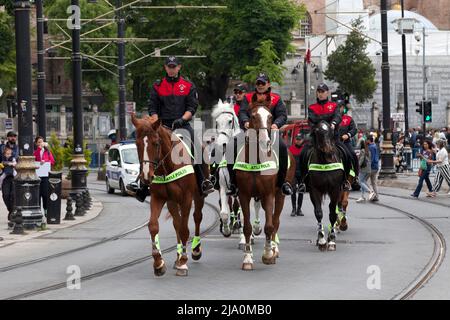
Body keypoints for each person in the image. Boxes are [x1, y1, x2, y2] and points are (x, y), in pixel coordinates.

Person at [130, 56, 214, 201]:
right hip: (161, 126)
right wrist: (156, 124)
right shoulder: (158, 85)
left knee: (197, 148)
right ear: (165, 68)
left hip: (182, 125)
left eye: (174, 66)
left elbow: (192, 107)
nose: (171, 69)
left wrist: (182, 119)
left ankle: (203, 181)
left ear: (179, 67)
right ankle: (142, 185)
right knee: (147, 149)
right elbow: (153, 107)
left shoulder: (188, 85)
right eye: (169, 66)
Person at [238, 72, 293, 195]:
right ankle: (233, 183)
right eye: (258, 83)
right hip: (250, 132)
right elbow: (242, 112)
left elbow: (282, 115)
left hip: (269, 132)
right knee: (232, 145)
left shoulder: (276, 98)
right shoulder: (248, 98)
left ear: (268, 84)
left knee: (283, 148)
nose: (260, 85)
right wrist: (245, 121)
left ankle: (283, 182)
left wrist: (276, 124)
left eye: (263, 83)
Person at [297, 83, 353, 192]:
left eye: (323, 92)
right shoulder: (312, 107)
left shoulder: (334, 106)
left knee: (348, 154)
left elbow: (337, 116)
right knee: (303, 154)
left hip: (332, 138)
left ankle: (346, 179)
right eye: (319, 92)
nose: (320, 94)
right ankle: (303, 181)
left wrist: (333, 123)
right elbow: (312, 120)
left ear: (327, 93)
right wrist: (319, 128)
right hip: (317, 139)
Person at [34, 136, 55, 216]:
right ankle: (38, 210)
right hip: (38, 175)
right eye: (39, 142)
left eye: (42, 142)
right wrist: (39, 149)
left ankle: (46, 209)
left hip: (45, 176)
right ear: (36, 143)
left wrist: (45, 161)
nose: (40, 144)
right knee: (38, 194)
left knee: (45, 194)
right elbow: (34, 158)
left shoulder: (47, 152)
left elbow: (52, 161)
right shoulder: (36, 151)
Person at [337, 104, 359, 182]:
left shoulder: (348, 119)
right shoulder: (330, 119)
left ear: (343, 108)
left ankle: (356, 175)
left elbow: (354, 129)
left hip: (345, 142)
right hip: (333, 142)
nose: (340, 109)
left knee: (353, 155)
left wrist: (348, 135)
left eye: (341, 107)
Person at [289, 133, 308, 216]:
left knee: (301, 191)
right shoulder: (290, 149)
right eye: (296, 139)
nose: (298, 141)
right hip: (293, 173)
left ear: (302, 140)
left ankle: (299, 209)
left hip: (302, 173)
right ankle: (293, 209)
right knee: (293, 191)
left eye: (299, 139)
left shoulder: (304, 150)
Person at [1, 146, 17, 226]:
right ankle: (10, 210)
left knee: (13, 195)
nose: (8, 155)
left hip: (13, 179)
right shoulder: (2, 159)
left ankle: (11, 213)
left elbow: (15, 164)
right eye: (7, 154)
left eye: (9, 154)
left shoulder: (13, 159)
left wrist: (11, 164)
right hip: (5, 179)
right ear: (4, 154)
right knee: (5, 195)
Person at [368, 135, 379, 201]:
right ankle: (376, 196)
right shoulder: (375, 146)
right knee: (374, 182)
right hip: (376, 166)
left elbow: (371, 158)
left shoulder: (370, 147)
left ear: (369, 140)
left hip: (371, 167)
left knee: (364, 181)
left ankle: (372, 193)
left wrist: (368, 166)